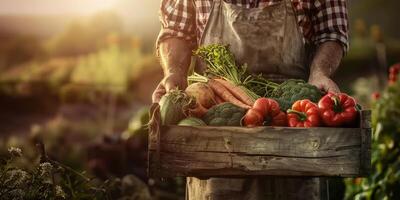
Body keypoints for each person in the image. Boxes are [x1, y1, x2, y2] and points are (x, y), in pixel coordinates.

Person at [152, 0, 348, 199]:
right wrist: (174, 72)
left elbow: (330, 33)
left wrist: (320, 73)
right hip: (215, 118)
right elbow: (176, 31)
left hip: (295, 124)